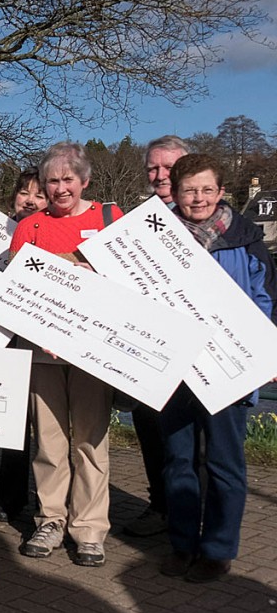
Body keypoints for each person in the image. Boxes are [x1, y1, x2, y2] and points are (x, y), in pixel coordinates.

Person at [157, 154, 277, 583]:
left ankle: (219, 549)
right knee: (180, 461)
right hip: (174, 370)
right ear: (175, 192)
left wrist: (265, 354)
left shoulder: (245, 239)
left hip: (229, 369)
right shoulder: (153, 238)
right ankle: (182, 543)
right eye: (190, 190)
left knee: (225, 464)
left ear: (221, 192)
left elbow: (266, 301)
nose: (199, 198)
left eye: (207, 189)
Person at [9, 142, 122, 567]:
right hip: (43, 352)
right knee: (50, 442)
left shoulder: (110, 220)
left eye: (67, 180)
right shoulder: (30, 228)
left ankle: (90, 529)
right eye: (52, 181)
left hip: (94, 352)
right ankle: (51, 519)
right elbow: (19, 292)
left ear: (84, 181)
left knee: (91, 441)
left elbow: (130, 286)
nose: (59, 189)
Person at [123, 135, 190, 538]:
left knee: (192, 440)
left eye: (168, 167)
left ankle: (191, 514)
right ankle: (160, 506)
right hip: (149, 348)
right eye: (153, 168)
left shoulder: (208, 217)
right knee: (150, 427)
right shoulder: (138, 221)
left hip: (198, 349)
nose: (160, 175)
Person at [0, 168, 48, 522]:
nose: (30, 200)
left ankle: (49, 501)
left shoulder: (52, 232)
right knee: (12, 423)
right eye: (24, 192)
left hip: (44, 342)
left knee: (47, 427)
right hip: (5, 338)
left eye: (39, 195)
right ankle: (10, 498)